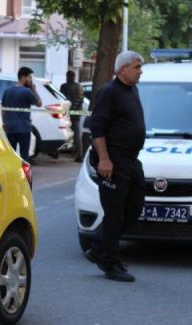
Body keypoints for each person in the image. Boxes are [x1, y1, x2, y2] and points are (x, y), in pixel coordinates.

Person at [83, 51, 146, 282]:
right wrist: (105, 159)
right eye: (137, 67)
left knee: (134, 206)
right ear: (123, 69)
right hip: (113, 160)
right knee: (115, 214)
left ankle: (99, 247)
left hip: (131, 160)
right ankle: (110, 262)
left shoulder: (132, 90)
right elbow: (97, 128)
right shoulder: (108, 92)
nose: (141, 71)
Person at [1, 66, 42, 162]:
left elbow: (3, 109)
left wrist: (4, 123)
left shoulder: (7, 91)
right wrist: (34, 89)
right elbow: (39, 103)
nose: (30, 80)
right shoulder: (27, 91)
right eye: (29, 77)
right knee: (24, 155)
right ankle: (24, 175)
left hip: (10, 128)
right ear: (23, 77)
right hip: (24, 128)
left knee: (11, 154)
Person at [60, 70, 85, 162]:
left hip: (67, 114)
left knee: (63, 132)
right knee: (77, 135)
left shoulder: (64, 86)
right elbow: (80, 100)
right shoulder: (79, 87)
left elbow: (62, 99)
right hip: (75, 114)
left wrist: (68, 111)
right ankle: (79, 155)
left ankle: (58, 151)